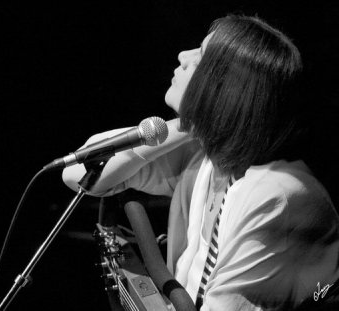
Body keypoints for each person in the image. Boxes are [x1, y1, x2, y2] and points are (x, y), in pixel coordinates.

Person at [62, 15, 339, 310]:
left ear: (226, 88)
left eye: (202, 56)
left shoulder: (276, 196)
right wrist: (189, 123)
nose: (183, 56)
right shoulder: (206, 157)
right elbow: (82, 172)